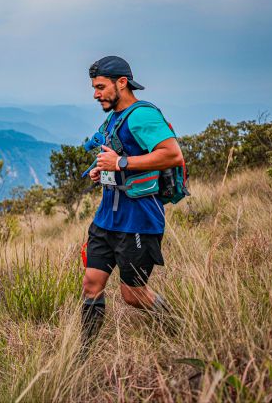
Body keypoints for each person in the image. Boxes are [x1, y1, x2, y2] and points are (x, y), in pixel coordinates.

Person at [81, 56, 184, 349]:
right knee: (91, 285)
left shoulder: (143, 115)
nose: (95, 94)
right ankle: (81, 355)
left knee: (132, 294)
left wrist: (121, 162)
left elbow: (172, 154)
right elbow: (114, 156)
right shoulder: (113, 116)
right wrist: (101, 169)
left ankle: (177, 326)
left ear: (121, 83)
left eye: (100, 87)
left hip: (139, 220)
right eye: (94, 87)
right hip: (106, 219)